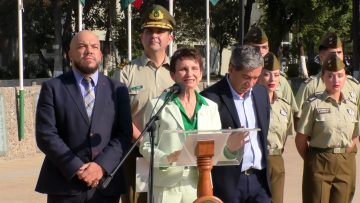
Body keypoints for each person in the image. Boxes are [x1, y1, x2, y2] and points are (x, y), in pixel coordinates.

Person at [35, 30, 132, 202]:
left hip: (105, 185)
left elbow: (123, 134)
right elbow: (46, 135)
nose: (89, 50)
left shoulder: (118, 89)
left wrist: (100, 166)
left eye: (94, 46)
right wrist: (77, 167)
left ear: (100, 54)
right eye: (82, 46)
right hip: (65, 184)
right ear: (70, 54)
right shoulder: (53, 88)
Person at [139, 48, 226, 202]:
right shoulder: (157, 105)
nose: (190, 74)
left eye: (194, 69)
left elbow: (216, 145)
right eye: (183, 69)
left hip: (200, 181)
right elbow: (145, 145)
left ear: (201, 73)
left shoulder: (210, 107)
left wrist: (230, 147)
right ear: (173, 74)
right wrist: (167, 158)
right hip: (167, 184)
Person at [112, 4, 176, 203]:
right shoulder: (126, 72)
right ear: (141, 37)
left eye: (160, 31)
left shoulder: (181, 70)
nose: (154, 35)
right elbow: (116, 114)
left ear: (170, 37)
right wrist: (141, 140)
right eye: (149, 31)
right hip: (136, 152)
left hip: (173, 152)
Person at [202, 45, 271, 202]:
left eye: (256, 78)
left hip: (259, 180)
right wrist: (227, 146)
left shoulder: (261, 93)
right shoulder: (210, 98)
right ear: (231, 69)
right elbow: (205, 146)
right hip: (229, 183)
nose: (251, 84)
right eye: (246, 77)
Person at [295, 32, 359, 200]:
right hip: (320, 158)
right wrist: (313, 159)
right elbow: (300, 132)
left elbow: (356, 131)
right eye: (330, 76)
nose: (335, 80)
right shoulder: (311, 91)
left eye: (339, 52)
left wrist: (346, 152)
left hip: (346, 159)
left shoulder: (353, 90)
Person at [257, 52, 295, 203]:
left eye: (277, 74)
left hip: (277, 159)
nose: (272, 79)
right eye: (267, 74)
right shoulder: (250, 104)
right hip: (258, 162)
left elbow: (285, 137)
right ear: (258, 76)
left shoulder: (284, 106)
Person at [244, 27, 298, 114]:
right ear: (246, 48)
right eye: (256, 48)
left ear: (268, 48)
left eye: (264, 47)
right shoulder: (240, 78)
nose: (261, 52)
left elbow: (293, 113)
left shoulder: (280, 81)